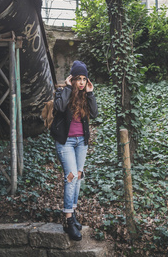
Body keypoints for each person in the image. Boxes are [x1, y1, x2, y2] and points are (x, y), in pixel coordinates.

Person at [50, 60, 98, 241]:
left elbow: (94, 114)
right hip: (66, 142)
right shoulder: (62, 92)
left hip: (81, 143)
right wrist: (68, 88)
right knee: (70, 176)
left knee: (78, 176)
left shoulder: (86, 95)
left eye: (84, 79)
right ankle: (68, 220)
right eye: (78, 78)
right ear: (72, 79)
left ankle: (73, 213)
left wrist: (91, 93)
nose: (81, 82)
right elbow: (60, 107)